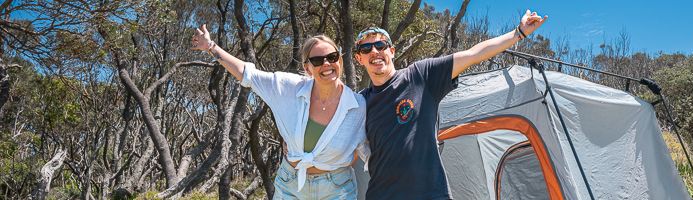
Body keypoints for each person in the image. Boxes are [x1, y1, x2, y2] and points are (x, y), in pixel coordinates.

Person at [353, 10, 547, 199]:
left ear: (392, 51)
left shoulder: (420, 76)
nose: (375, 52)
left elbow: (473, 54)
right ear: (359, 58)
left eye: (381, 45)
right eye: (366, 49)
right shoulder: (360, 103)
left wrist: (518, 33)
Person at [190, 25, 369, 199]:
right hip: (290, 183)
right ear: (308, 68)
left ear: (340, 60)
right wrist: (210, 47)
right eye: (317, 60)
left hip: (336, 189)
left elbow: (371, 150)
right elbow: (247, 74)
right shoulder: (288, 88)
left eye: (332, 57)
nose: (326, 63)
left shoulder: (358, 106)